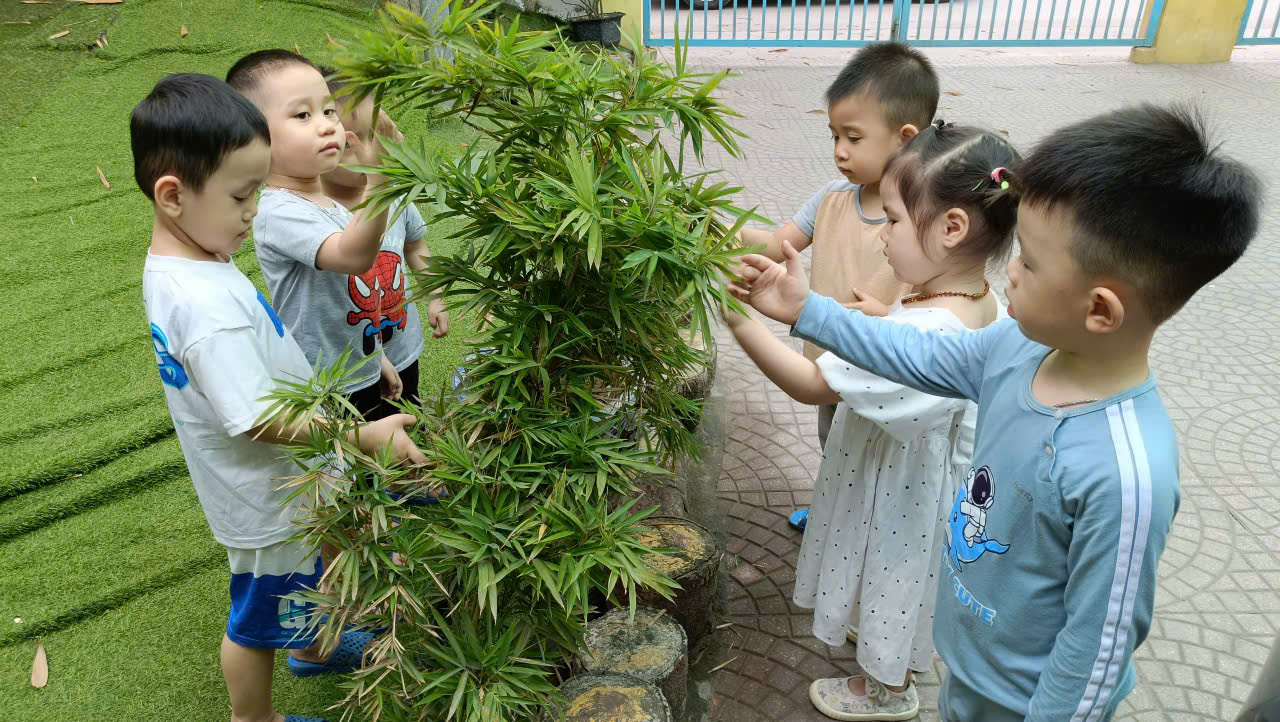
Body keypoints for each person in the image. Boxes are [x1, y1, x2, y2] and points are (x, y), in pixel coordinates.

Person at [729, 104, 1261, 721]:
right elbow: (917, 353)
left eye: (1029, 261)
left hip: (1021, 702)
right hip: (969, 661)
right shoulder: (1019, 345)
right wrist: (805, 310)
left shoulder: (1125, 474)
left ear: (1100, 310)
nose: (1008, 268)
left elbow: (1098, 651)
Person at [135, 73, 428, 722]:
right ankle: (256, 717)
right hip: (264, 499)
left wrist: (371, 356)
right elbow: (256, 418)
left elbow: (266, 349)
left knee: (305, 580)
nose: (254, 210)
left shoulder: (190, 264)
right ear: (173, 196)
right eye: (243, 196)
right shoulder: (204, 307)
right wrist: (359, 435)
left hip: (284, 481)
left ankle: (316, 647)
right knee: (255, 621)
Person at [725, 124, 1020, 720]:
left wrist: (739, 322)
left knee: (895, 575)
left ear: (952, 227)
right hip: (930, 479)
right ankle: (894, 657)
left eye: (893, 220)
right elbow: (902, 333)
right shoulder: (974, 298)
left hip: (901, 492)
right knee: (908, 579)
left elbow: (810, 384)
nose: (882, 235)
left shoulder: (931, 328)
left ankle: (886, 690)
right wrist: (879, 314)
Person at [734, 42, 939, 531]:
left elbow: (939, 301)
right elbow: (780, 244)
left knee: (881, 456)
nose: (839, 151)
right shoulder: (831, 198)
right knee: (834, 442)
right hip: (828, 361)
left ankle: (865, 527)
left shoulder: (921, 216)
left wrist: (889, 317)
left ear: (905, 138)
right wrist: (721, 229)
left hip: (884, 369)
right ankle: (833, 509)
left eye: (853, 137)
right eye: (834, 136)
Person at [225, 50, 399, 419]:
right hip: (323, 386)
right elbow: (354, 257)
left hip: (355, 367)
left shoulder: (326, 203)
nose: (326, 126)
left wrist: (376, 355)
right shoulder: (279, 211)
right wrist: (379, 183)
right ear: (254, 137)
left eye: (329, 111)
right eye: (303, 115)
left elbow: (343, 300)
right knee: (346, 455)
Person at [316, 66, 449, 420]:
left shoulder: (394, 195)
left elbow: (415, 245)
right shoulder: (318, 215)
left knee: (408, 416)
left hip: (402, 346)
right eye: (352, 143)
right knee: (360, 436)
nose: (370, 154)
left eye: (375, 138)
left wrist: (436, 296)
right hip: (349, 364)